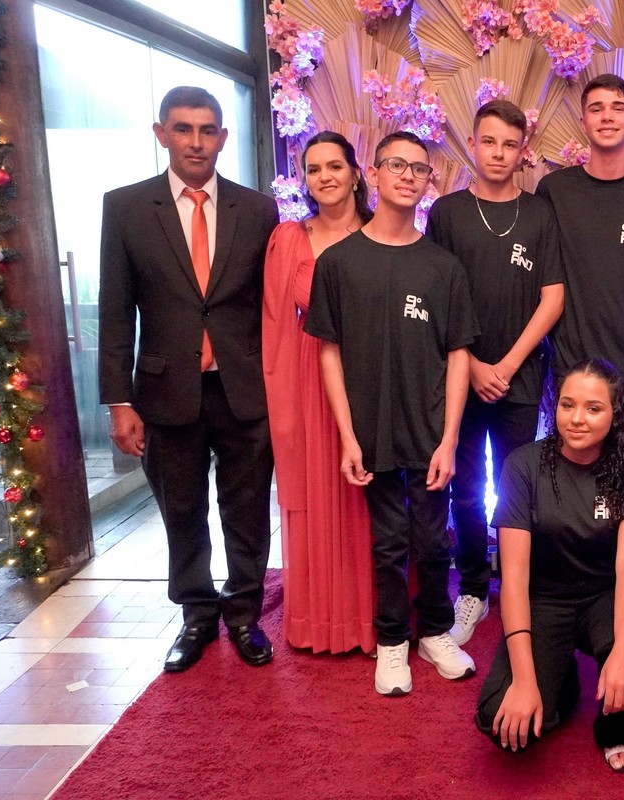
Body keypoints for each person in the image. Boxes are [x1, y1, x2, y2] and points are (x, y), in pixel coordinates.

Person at [99, 86, 279, 673]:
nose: (196, 142)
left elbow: (269, 306)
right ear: (162, 134)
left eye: (207, 130)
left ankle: (244, 613)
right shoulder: (126, 207)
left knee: (247, 510)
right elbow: (116, 310)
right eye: (183, 129)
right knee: (182, 510)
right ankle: (197, 614)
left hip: (242, 388)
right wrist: (118, 401)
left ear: (222, 138)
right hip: (164, 390)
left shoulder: (258, 210)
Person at [304, 131, 480, 696]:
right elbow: (328, 352)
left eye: (419, 168)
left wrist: (450, 438)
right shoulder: (338, 263)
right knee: (387, 545)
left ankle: (434, 632)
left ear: (430, 181)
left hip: (430, 427)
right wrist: (347, 436)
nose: (407, 175)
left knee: (433, 540)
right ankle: (391, 642)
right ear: (373, 174)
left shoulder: (443, 267)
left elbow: (459, 355)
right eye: (395, 164)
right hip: (370, 428)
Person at [475, 358, 624, 773]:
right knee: (502, 724)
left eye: (593, 408)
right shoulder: (523, 465)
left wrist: (623, 651)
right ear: (556, 407)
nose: (577, 418)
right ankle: (561, 686)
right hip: (543, 599)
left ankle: (617, 722)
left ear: (614, 414)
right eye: (568, 405)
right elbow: (514, 578)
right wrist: (524, 681)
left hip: (603, 596)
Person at [427, 100, 565, 646]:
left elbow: (552, 298)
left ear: (522, 151)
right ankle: (472, 589)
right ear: (472, 144)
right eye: (489, 142)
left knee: (516, 487)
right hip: (459, 376)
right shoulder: (447, 213)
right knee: (465, 487)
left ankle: (516, 587)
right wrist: (474, 365)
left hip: (519, 378)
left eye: (509, 144)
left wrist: (505, 365)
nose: (498, 153)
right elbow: (435, 297)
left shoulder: (539, 214)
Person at [262, 131, 376, 654]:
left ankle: (375, 619)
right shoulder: (289, 239)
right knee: (317, 496)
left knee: (371, 500)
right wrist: (283, 404)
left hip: (374, 377)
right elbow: (276, 327)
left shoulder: (384, 230)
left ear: (355, 173)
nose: (325, 176)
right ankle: (320, 621)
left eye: (335, 165)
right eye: (313, 169)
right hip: (309, 380)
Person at [535, 74, 624, 458]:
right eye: (596, 108)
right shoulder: (554, 191)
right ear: (583, 121)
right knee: (571, 482)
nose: (607, 117)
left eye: (618, 108)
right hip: (573, 369)